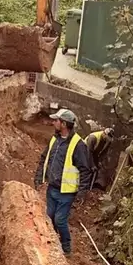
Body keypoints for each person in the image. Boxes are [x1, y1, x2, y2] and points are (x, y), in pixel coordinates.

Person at [34, 108, 93, 256]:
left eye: (56, 120)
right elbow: (44, 159)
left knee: (60, 220)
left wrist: (81, 193)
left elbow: (85, 170)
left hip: (66, 192)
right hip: (52, 188)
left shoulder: (78, 145)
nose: (53, 122)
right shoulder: (55, 139)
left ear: (64, 124)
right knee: (49, 218)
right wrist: (39, 178)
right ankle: (52, 244)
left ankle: (66, 248)